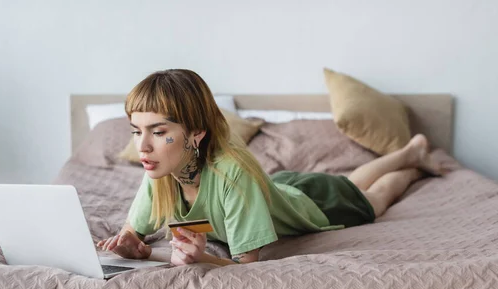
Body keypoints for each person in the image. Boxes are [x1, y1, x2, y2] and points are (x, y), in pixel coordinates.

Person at [97, 69, 447, 267]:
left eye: (158, 133)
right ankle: (410, 152)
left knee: (372, 198)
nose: (142, 146)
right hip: (278, 189)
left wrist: (203, 258)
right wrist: (130, 244)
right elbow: (135, 230)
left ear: (196, 134)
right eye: (136, 131)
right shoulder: (159, 170)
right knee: (350, 182)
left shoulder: (232, 175)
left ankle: (411, 162)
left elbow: (248, 267)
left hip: (312, 204)